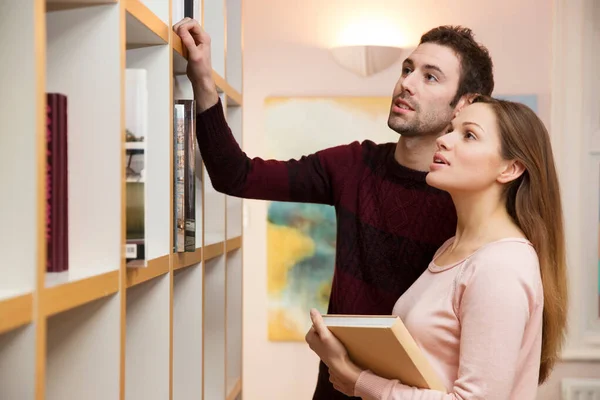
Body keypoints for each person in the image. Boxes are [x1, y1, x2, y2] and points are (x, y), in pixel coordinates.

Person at [173, 18, 494, 399]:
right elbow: (235, 175)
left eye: (430, 77)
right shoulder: (352, 166)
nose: (406, 82)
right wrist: (203, 80)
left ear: (465, 104)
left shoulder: (472, 201)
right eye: (407, 69)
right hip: (335, 391)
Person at [305, 95, 569, 399]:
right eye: (450, 130)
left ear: (510, 169)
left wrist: (358, 380)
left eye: (469, 135)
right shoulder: (451, 249)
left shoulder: (501, 267)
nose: (443, 141)